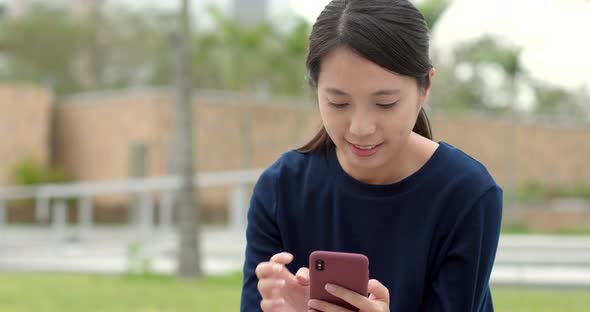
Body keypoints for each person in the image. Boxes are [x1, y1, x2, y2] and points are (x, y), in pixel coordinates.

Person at [240, 0, 503, 311]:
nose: (361, 128)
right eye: (338, 103)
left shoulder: (467, 194)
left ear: (425, 87)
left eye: (386, 103)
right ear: (316, 90)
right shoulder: (280, 189)